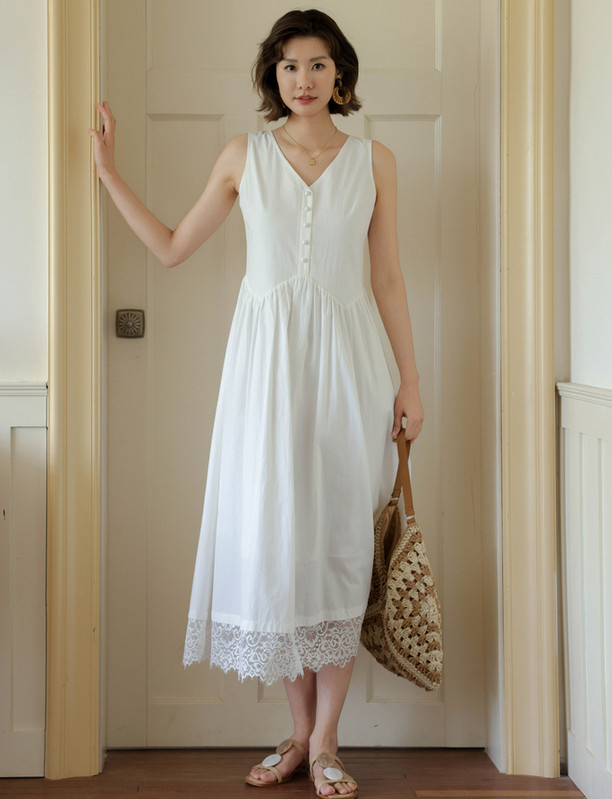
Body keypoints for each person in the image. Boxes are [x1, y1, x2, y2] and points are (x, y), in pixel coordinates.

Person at [90, 9, 423, 798]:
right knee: (279, 548)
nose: (303, 79)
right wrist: (107, 173)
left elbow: (387, 278)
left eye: (317, 65)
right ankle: (300, 734)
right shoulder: (244, 155)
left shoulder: (375, 160)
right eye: (288, 66)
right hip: (263, 378)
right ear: (273, 75)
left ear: (340, 74)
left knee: (341, 545)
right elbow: (172, 247)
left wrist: (411, 380)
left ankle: (329, 738)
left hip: (351, 372)